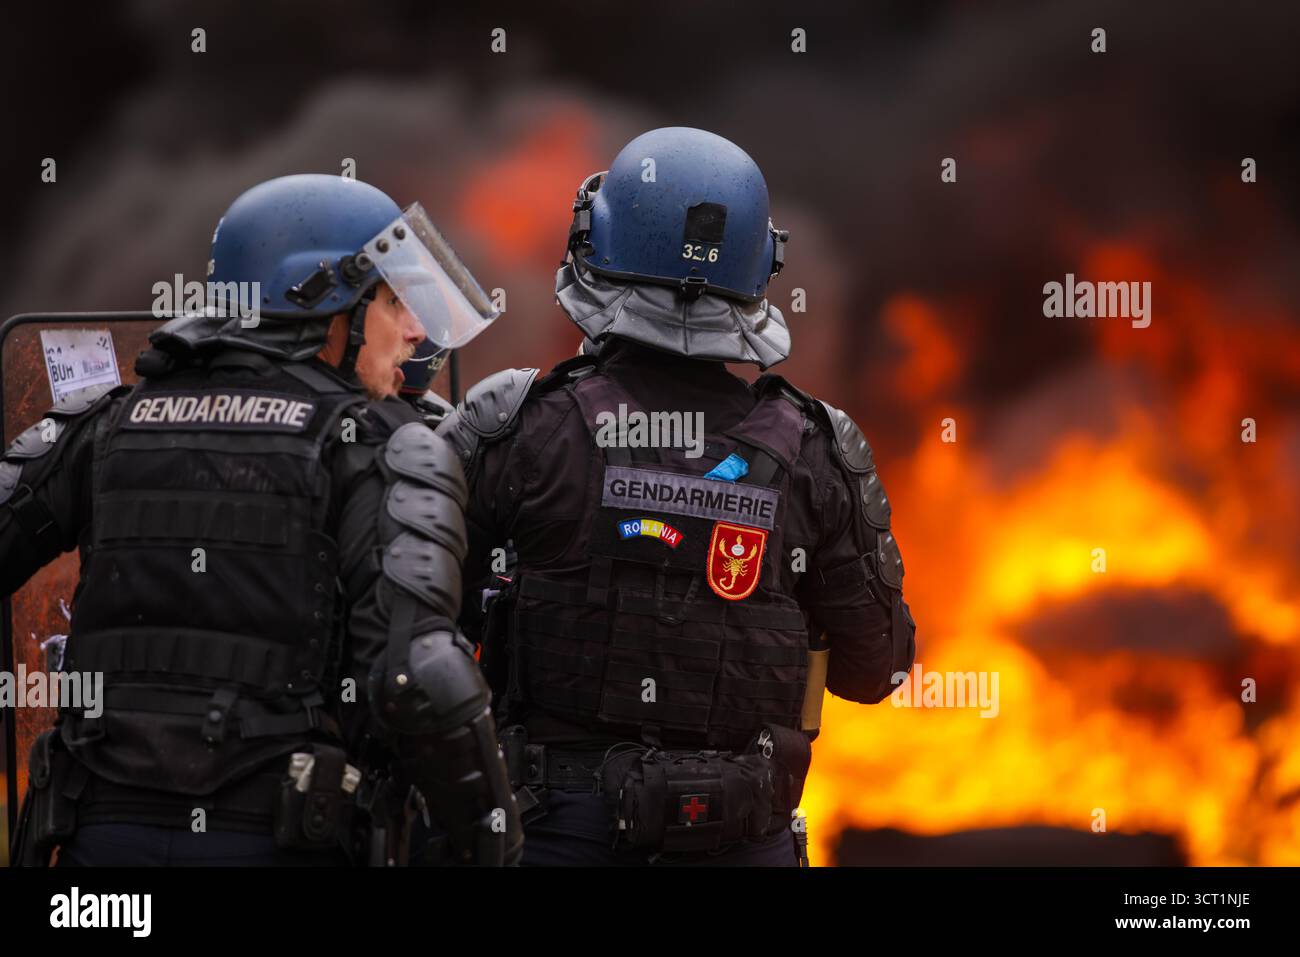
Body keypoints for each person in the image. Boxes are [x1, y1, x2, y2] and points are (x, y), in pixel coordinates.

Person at [2, 173, 521, 866]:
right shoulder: (377, 445)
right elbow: (420, 678)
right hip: (275, 838)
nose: (416, 330)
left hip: (100, 857)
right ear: (326, 306)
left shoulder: (106, 424)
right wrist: (496, 844)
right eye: (395, 300)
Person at [437, 128, 916, 866]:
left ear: (600, 246)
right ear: (759, 268)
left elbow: (422, 633)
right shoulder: (818, 448)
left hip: (553, 833)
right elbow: (874, 669)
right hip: (742, 838)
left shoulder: (518, 426)